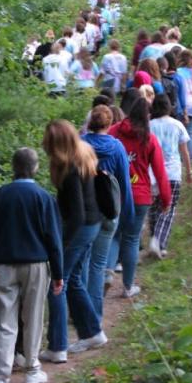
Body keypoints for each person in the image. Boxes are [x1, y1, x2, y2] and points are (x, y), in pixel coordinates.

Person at [0, 148, 63, 383]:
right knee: (33, 318)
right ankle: (32, 370)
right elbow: (53, 237)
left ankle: (0, 379)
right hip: (36, 264)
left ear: (13, 167)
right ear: (36, 167)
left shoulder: (1, 196)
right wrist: (58, 272)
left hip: (3, 264)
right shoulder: (43, 197)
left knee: (3, 321)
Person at [42, 121, 106, 360]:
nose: (44, 145)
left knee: (57, 283)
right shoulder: (83, 155)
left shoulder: (69, 170)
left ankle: (57, 346)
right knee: (75, 279)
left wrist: (62, 244)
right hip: (93, 224)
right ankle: (92, 332)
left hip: (82, 227)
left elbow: (76, 214)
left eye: (48, 141)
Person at [107, 98, 171, 297]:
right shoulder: (149, 139)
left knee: (114, 236)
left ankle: (106, 275)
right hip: (140, 195)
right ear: (147, 115)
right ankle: (127, 287)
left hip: (115, 193)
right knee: (132, 239)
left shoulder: (114, 131)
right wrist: (166, 200)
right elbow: (160, 172)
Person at [82, 106, 134, 322]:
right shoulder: (116, 147)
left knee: (83, 260)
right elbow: (124, 182)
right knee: (98, 264)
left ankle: (80, 310)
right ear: (109, 123)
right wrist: (128, 213)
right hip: (110, 210)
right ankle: (95, 313)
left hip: (85, 209)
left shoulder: (81, 145)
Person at [148, 94, 192, 259]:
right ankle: (159, 242)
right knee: (169, 208)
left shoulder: (149, 125)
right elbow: (184, 151)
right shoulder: (177, 125)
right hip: (173, 172)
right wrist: (189, 171)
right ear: (169, 107)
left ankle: (158, 242)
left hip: (152, 173)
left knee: (153, 208)